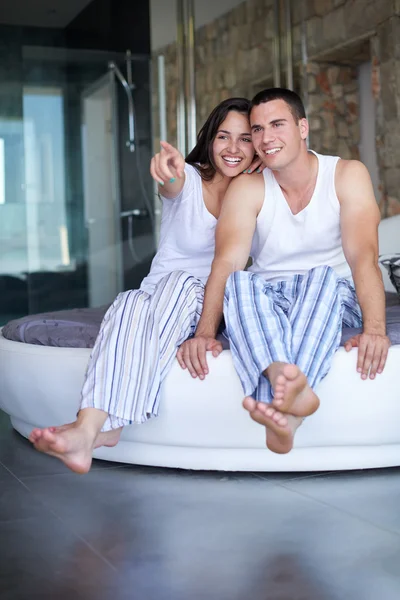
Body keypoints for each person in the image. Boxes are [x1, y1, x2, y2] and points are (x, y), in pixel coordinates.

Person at [29, 97, 260, 473]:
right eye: (223, 136)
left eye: (245, 138)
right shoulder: (189, 178)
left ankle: (106, 425)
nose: (233, 149)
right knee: (129, 303)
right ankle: (92, 429)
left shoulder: (257, 189)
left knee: (180, 285)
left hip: (209, 296)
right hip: (157, 292)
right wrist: (169, 174)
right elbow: (172, 185)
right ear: (210, 139)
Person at [177, 87, 391, 455]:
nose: (265, 138)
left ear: (303, 127)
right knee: (240, 283)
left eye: (277, 124)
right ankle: (288, 396)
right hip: (269, 296)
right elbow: (226, 263)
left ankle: (280, 398)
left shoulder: (345, 174)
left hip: (331, 293)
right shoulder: (248, 186)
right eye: (257, 129)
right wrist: (204, 333)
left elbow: (363, 257)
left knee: (321, 276)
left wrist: (374, 330)